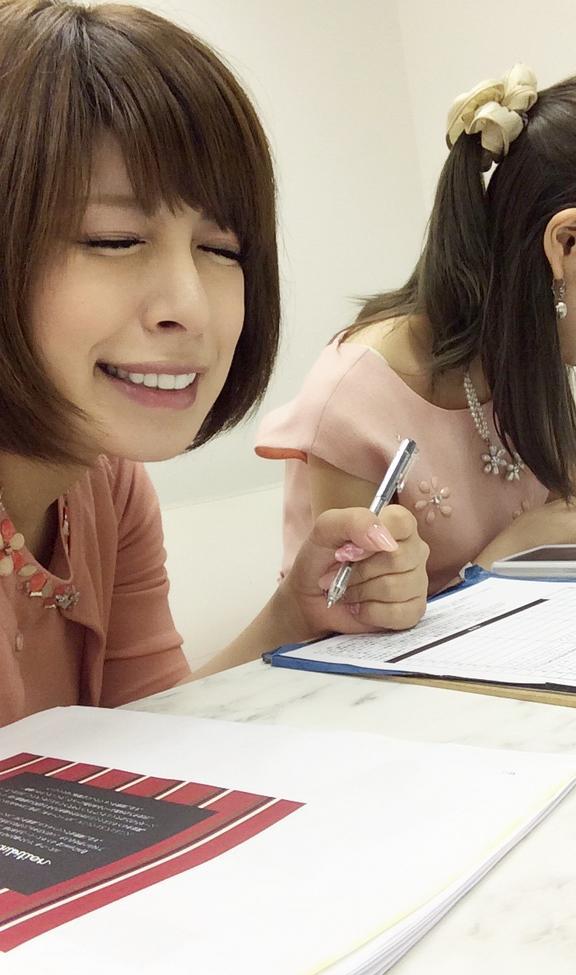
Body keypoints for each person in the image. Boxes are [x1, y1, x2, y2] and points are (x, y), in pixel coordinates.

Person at [0, 0, 428, 727]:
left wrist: (298, 612)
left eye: (221, 249)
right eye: (114, 239)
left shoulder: (107, 484)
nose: (191, 308)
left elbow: (148, 729)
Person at [256, 63, 576, 596]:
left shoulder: (531, 352)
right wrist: (507, 553)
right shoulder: (355, 398)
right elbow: (347, 619)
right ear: (564, 244)